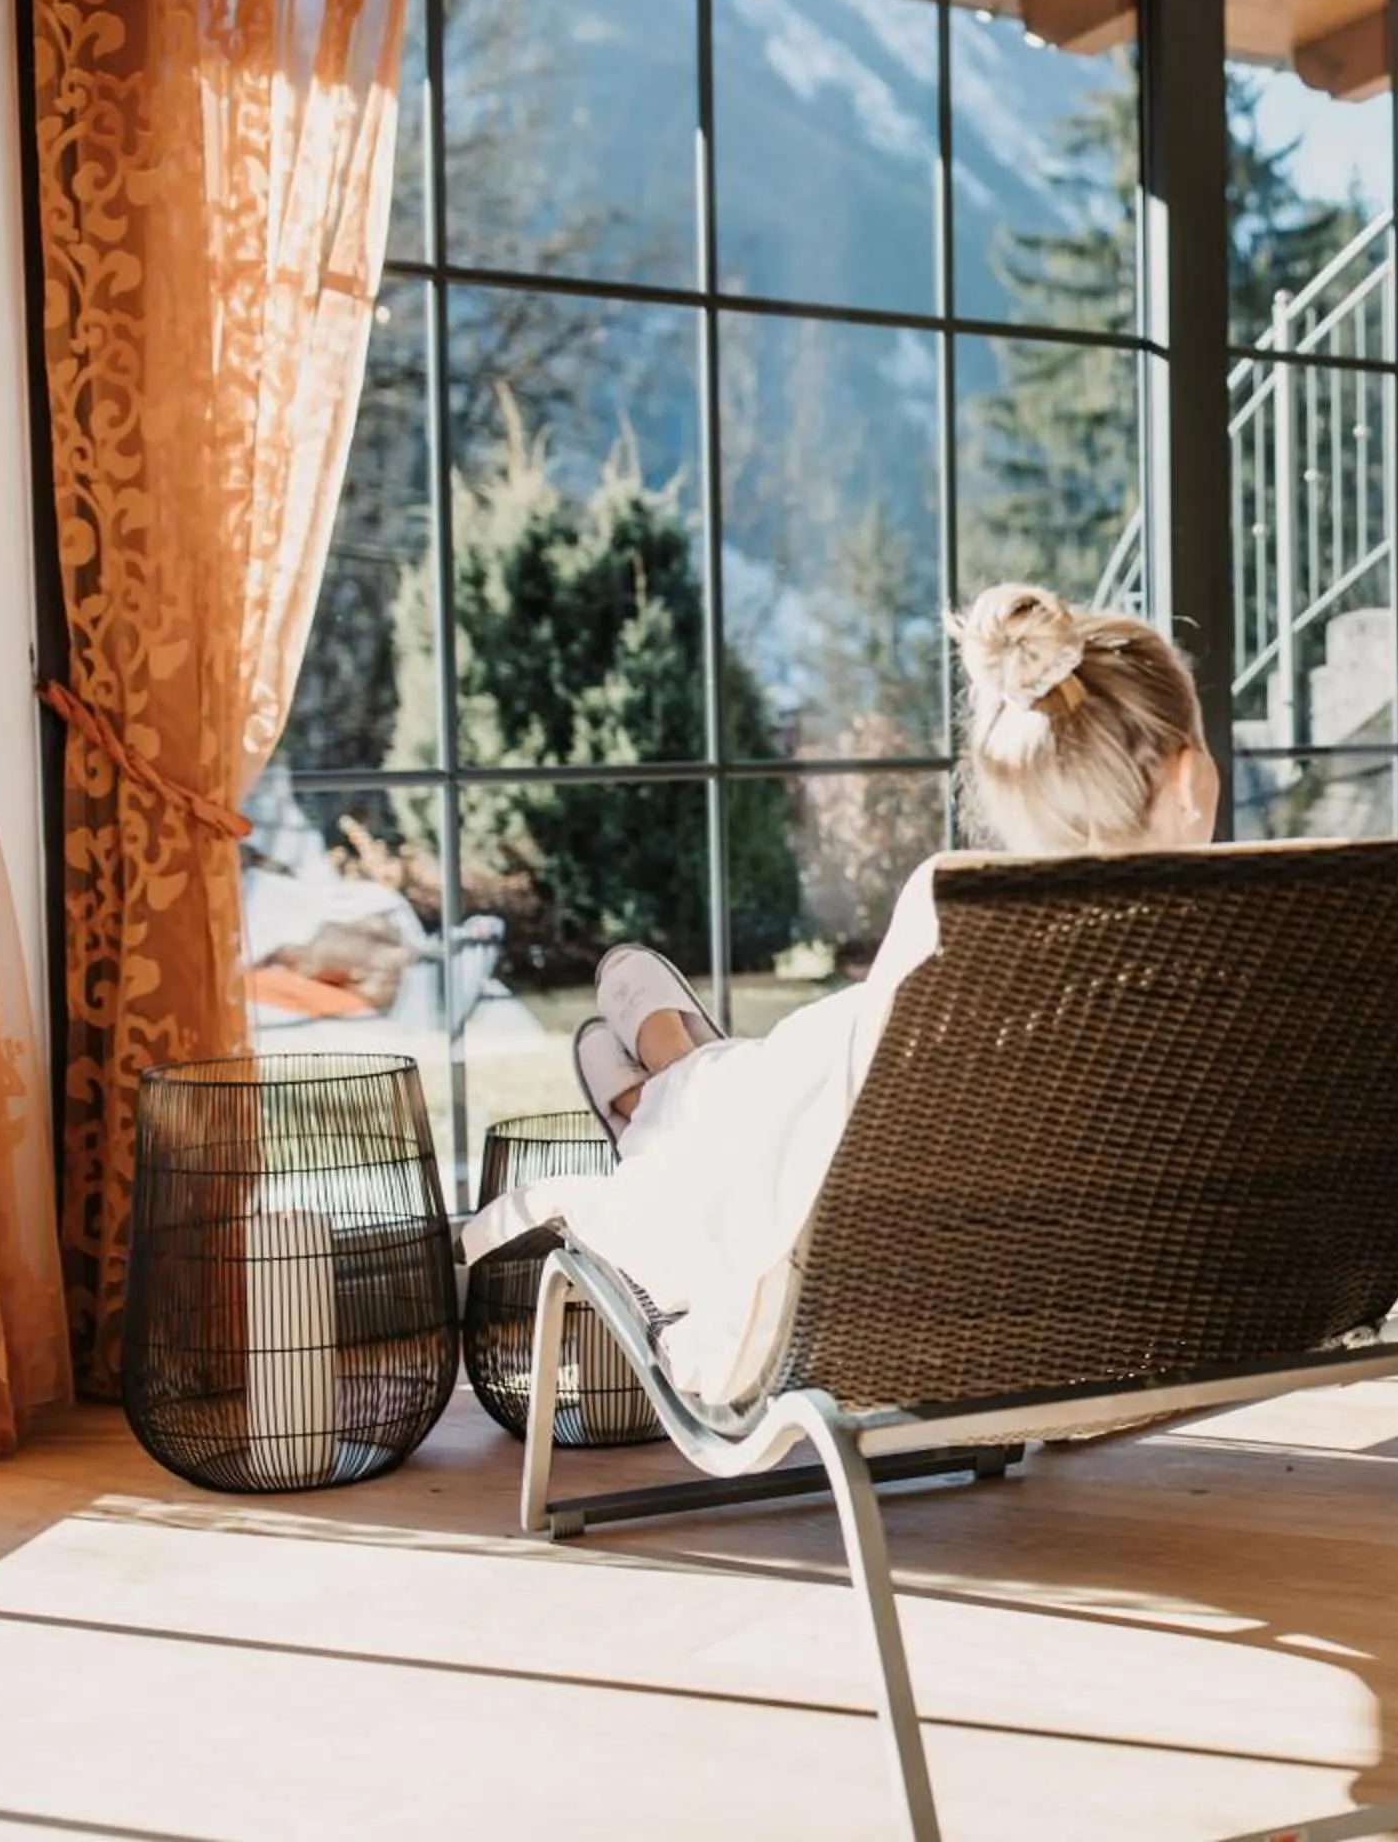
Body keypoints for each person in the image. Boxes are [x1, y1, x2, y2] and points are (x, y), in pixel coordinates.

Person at [460, 583, 1219, 1405]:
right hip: (1145, 1294)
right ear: (1185, 781)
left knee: (792, 1078)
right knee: (813, 1064)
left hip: (923, 1287)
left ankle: (667, 1087)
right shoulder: (1274, 954)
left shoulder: (963, 934)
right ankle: (678, 1082)